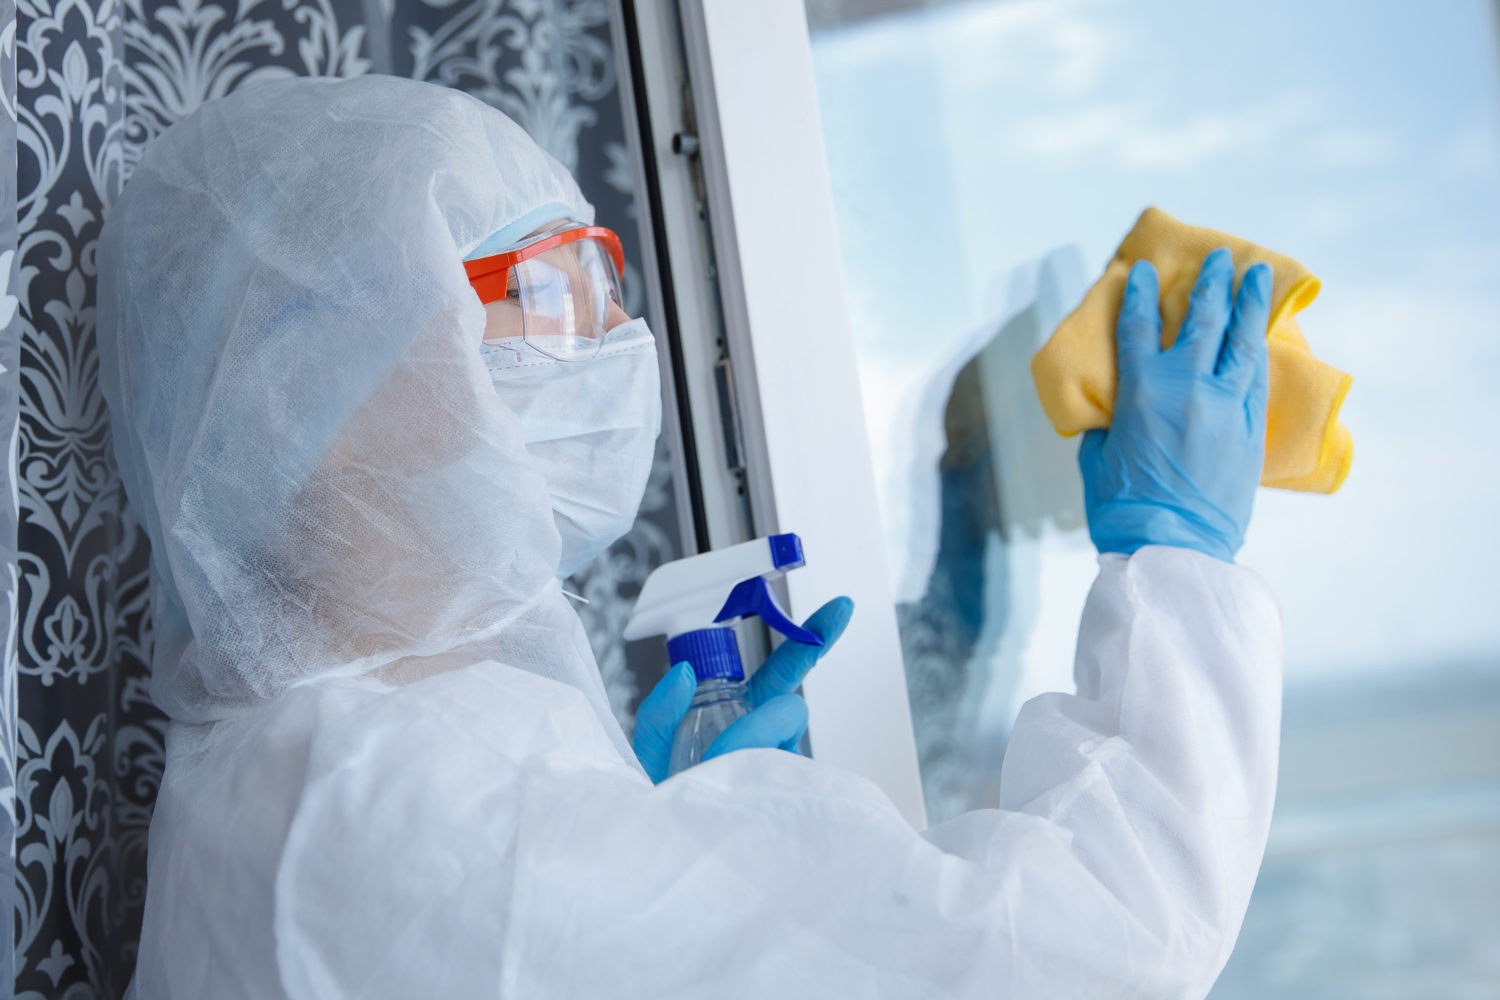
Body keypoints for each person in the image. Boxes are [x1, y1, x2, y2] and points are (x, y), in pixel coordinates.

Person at [98, 75, 1280, 999]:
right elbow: (1108, 949)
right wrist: (1178, 561)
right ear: (317, 387)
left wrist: (644, 830)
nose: (619, 338)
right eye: (550, 287)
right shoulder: (419, 815)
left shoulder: (293, 774)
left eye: (603, 277)